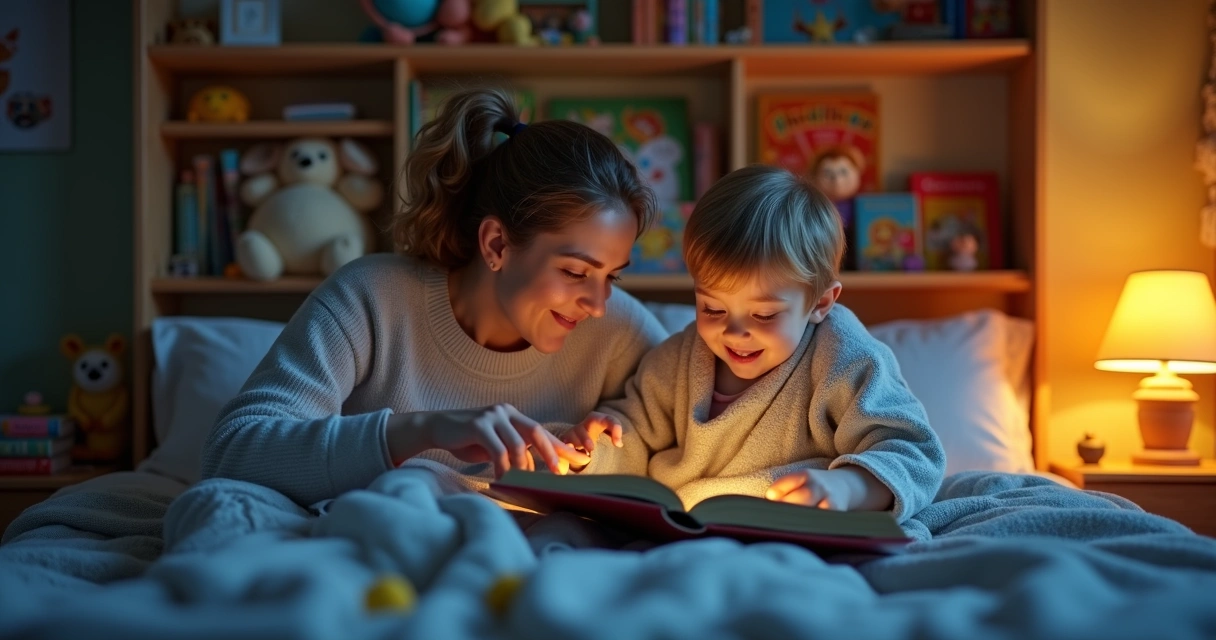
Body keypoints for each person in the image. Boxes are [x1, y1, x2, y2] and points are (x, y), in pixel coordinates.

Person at [202, 88, 667, 508]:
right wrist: (421, 430)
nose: (598, 304)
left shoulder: (617, 330)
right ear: (497, 245)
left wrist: (595, 453)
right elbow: (232, 452)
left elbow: (679, 426)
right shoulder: (371, 298)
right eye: (575, 272)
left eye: (612, 276)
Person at [561, 165, 945, 522]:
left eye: (763, 315)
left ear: (820, 303)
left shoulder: (845, 357)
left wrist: (847, 487)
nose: (734, 332)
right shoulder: (676, 361)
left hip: (795, 529)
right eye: (712, 308)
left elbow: (914, 452)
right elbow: (633, 435)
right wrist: (591, 454)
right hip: (689, 525)